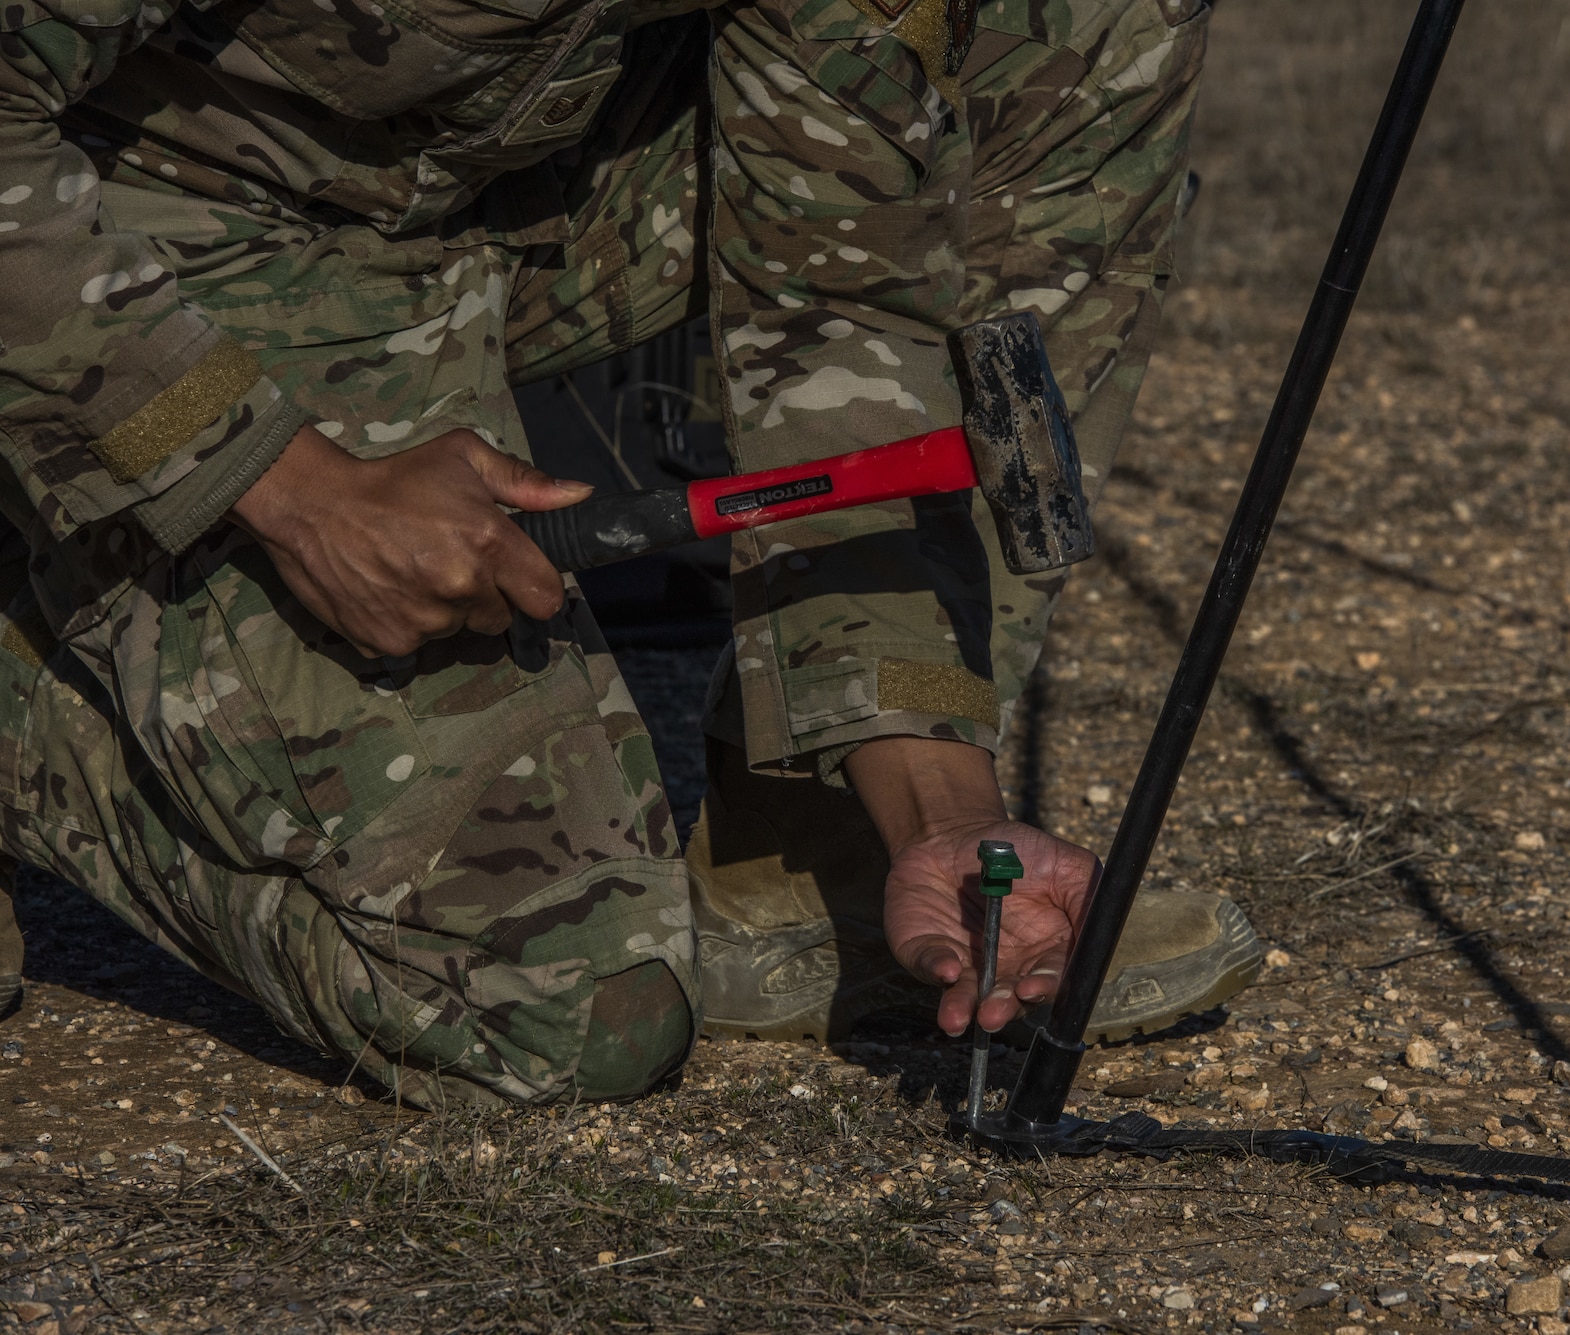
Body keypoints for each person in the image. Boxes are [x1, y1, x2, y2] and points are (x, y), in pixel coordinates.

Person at [0, 0, 1262, 1108]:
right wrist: (285, 484)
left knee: (1084, 16)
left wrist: (942, 810)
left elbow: (843, 280)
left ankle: (815, 829)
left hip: (510, 178)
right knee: (555, 1007)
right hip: (161, 220)